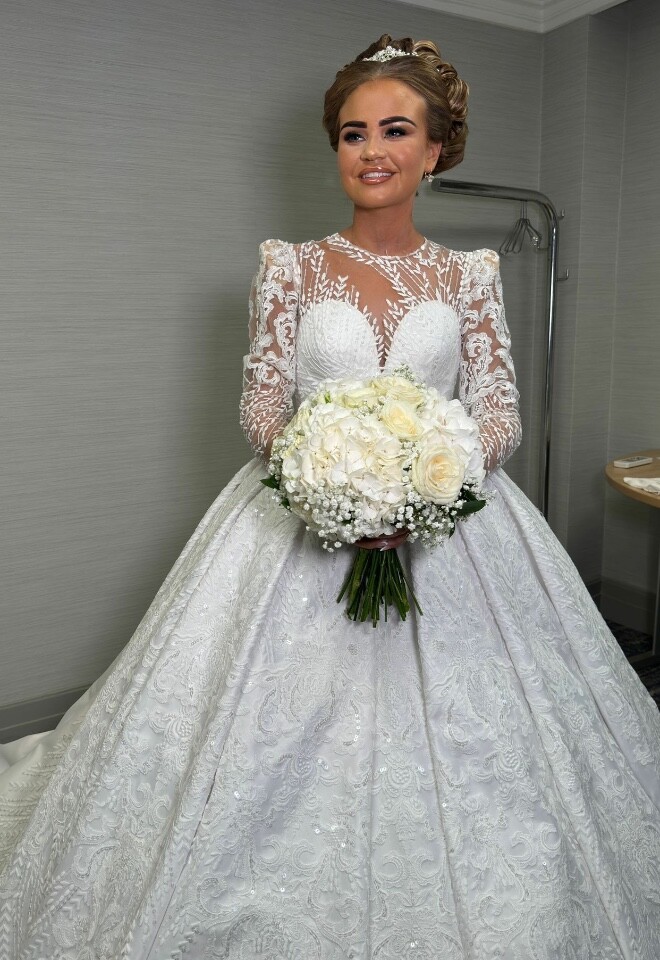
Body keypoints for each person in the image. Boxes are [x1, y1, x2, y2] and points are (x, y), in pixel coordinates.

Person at [1, 32, 659, 960]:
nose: (372, 151)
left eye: (396, 130)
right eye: (353, 134)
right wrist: (334, 484)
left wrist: (426, 489)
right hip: (302, 517)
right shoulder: (291, 266)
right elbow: (264, 410)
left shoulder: (471, 275)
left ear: (437, 150)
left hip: (451, 522)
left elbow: (500, 416)